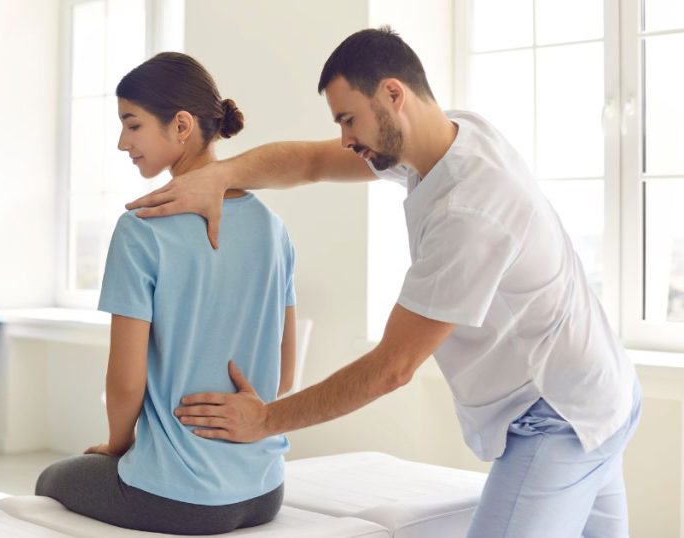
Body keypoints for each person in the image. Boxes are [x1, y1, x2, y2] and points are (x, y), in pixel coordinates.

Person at [128, 28, 642, 538]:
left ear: (393, 95)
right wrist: (220, 175)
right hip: (604, 389)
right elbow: (309, 162)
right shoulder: (450, 138)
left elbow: (392, 368)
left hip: (559, 417)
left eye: (349, 119)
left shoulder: (471, 208)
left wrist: (263, 421)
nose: (346, 138)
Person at [34, 52, 298, 535]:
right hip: (265, 491)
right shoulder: (273, 228)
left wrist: (116, 447)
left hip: (177, 499)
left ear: (181, 126)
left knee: (51, 478)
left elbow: (126, 379)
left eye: (132, 125)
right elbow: (285, 369)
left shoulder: (142, 228)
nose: (121, 142)